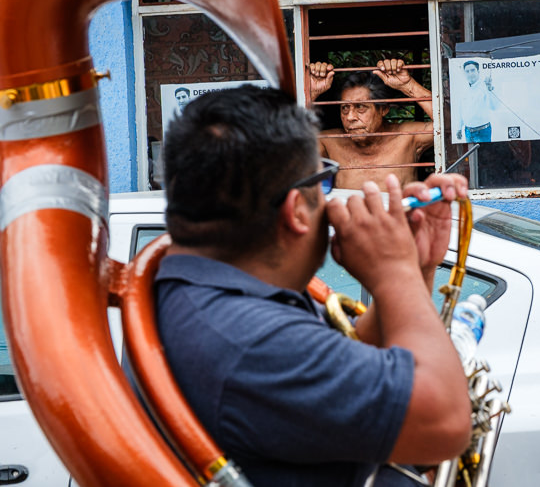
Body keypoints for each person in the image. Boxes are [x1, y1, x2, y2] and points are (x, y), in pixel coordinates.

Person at [158, 85, 471, 486]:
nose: (330, 199)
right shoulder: (250, 340)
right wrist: (396, 273)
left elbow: (349, 366)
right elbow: (443, 422)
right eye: (324, 182)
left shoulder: (212, 293)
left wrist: (417, 267)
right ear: (296, 211)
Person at [308, 59, 434, 190]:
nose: (350, 117)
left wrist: (407, 85)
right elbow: (290, 146)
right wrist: (310, 94)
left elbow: (450, 127)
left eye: (361, 107)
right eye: (345, 108)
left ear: (384, 109)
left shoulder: (407, 138)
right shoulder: (328, 142)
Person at [454, 60, 499, 143]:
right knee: (471, 155)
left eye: (473, 70)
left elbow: (494, 107)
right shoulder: (463, 90)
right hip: (468, 132)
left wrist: (489, 90)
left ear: (478, 71)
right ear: (465, 73)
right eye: (467, 71)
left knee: (484, 155)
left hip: (482, 132)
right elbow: (461, 111)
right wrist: (459, 128)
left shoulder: (486, 87)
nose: (470, 74)